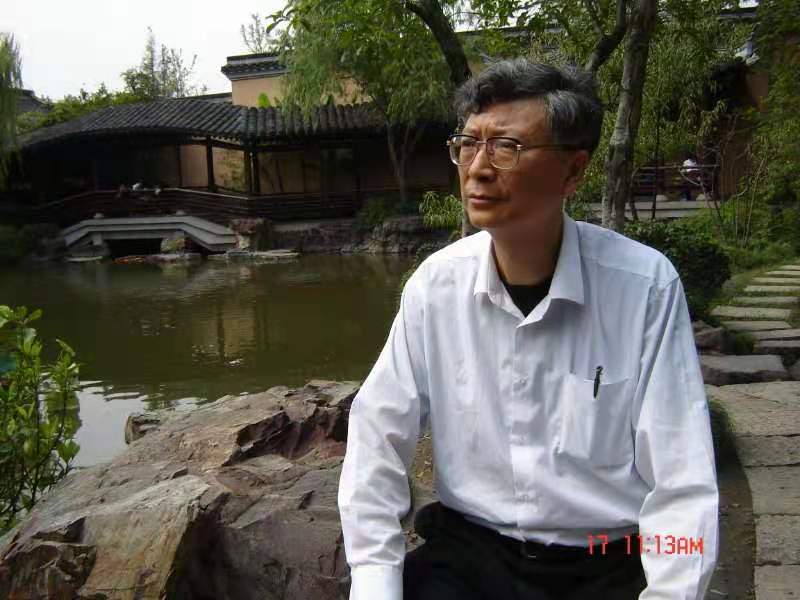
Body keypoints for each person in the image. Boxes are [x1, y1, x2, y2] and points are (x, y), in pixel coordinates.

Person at [338, 59, 718, 600]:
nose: (478, 168)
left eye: (506, 147)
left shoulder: (644, 287)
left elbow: (682, 479)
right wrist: (376, 582)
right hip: (472, 552)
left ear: (573, 171)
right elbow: (377, 437)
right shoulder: (435, 287)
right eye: (468, 144)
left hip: (605, 557)